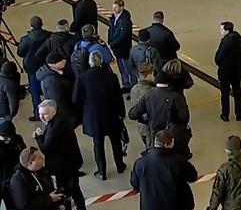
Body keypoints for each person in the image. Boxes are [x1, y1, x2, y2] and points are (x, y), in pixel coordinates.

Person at [35, 100, 89, 210]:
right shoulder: (61, 120)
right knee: (76, 192)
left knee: (63, 194)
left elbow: (46, 148)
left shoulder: (55, 127)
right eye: (40, 114)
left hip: (63, 168)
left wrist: (38, 137)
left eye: (45, 114)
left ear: (53, 112)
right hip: (71, 163)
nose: (42, 117)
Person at [73, 51, 126, 180]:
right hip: (111, 114)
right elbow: (118, 97)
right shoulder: (111, 76)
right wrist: (121, 113)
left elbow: (75, 99)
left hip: (93, 116)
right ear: (101, 61)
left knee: (98, 143)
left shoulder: (82, 77)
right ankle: (120, 165)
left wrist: (85, 108)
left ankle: (102, 171)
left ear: (90, 62)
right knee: (115, 141)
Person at [129, 62, 192, 157]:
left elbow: (133, 114)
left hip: (155, 136)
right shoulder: (176, 97)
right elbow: (184, 117)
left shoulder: (148, 95)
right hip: (172, 134)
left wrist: (146, 119)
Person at [18, 16, 51, 121]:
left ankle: (38, 115)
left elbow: (20, 52)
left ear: (31, 26)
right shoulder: (48, 35)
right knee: (48, 89)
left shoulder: (27, 38)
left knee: (35, 93)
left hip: (32, 68)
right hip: (45, 65)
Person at [0, 120, 27, 210]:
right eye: (4, 137)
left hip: (13, 182)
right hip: (1, 181)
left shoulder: (17, 140)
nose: (7, 139)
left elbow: (23, 155)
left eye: (9, 137)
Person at [215, 21, 241, 122]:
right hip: (237, 70)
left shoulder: (225, 41)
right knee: (237, 92)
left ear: (227, 31)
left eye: (222, 29)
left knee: (225, 94)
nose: (220, 31)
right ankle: (239, 113)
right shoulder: (239, 38)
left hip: (225, 72)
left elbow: (218, 57)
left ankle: (225, 114)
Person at [36, 53, 75, 123]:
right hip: (64, 113)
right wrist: (69, 118)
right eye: (61, 61)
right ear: (54, 64)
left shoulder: (54, 72)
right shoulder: (52, 82)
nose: (64, 61)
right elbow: (58, 101)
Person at [108, 0, 134, 90]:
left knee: (128, 68)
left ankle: (132, 85)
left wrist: (113, 44)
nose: (114, 10)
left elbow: (123, 36)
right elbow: (111, 30)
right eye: (113, 8)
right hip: (117, 49)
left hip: (123, 49)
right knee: (121, 68)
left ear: (121, 7)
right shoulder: (114, 18)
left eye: (115, 8)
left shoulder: (125, 21)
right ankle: (126, 84)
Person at [129, 62, 156, 149]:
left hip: (141, 126)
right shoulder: (150, 91)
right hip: (151, 127)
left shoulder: (134, 89)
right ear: (149, 74)